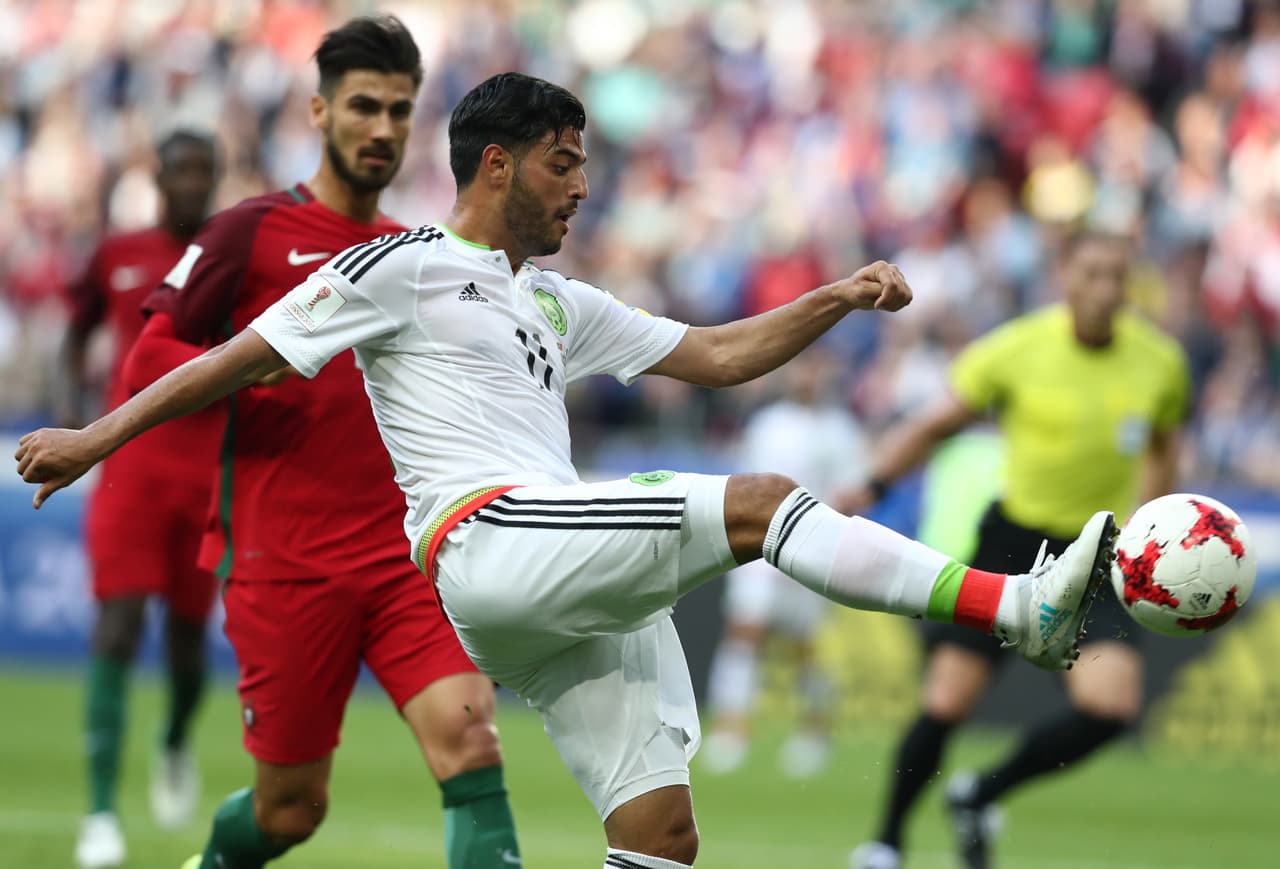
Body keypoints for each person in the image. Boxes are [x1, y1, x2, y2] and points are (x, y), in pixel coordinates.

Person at [17, 72, 1119, 869]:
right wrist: (93, 437)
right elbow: (233, 357)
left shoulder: (555, 299)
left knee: (660, 836)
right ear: (497, 163)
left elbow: (718, 353)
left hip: (553, 577)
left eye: (584, 161)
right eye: (563, 159)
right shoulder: (396, 268)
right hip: (488, 540)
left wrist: (830, 297)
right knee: (756, 506)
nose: (582, 184)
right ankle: (1017, 608)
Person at [93, 17, 520, 869]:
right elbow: (149, 355)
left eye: (400, 110)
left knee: (472, 746)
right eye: (365, 106)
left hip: (407, 558)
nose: (384, 128)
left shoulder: (417, 253)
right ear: (319, 112)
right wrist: (253, 368)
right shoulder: (248, 232)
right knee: (291, 812)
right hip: (284, 561)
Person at [848, 230, 1190, 869]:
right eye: (1092, 273)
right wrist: (868, 485)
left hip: (1100, 553)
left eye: (1118, 276)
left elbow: (1165, 448)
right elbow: (932, 426)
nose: (1106, 289)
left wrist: (1151, 527)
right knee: (946, 702)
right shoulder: (1016, 348)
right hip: (1013, 542)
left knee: (1111, 707)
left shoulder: (1160, 362)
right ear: (1065, 276)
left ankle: (980, 793)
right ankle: (887, 841)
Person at [58, 130, 220, 869]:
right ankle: (98, 812)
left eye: (203, 173)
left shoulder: (231, 258)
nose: (191, 184)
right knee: (117, 628)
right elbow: (78, 327)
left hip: (205, 476)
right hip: (128, 469)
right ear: (157, 176)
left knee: (187, 649)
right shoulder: (117, 252)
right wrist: (72, 413)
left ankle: (177, 736)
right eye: (179, 170)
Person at [701, 347, 868, 778]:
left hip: (813, 551)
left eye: (816, 368)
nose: (807, 377)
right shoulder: (767, 423)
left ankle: (815, 732)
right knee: (744, 632)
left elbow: (850, 497)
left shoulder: (842, 431)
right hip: (760, 545)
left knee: (804, 648)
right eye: (801, 368)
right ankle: (731, 729)